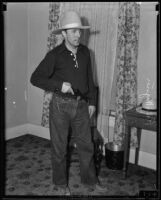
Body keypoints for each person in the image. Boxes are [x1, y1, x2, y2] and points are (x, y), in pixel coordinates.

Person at [30, 10, 106, 195]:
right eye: (73, 31)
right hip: (60, 106)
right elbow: (35, 78)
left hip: (81, 106)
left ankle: (90, 181)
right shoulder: (54, 55)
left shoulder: (86, 52)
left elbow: (90, 81)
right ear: (63, 33)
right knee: (59, 148)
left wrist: (92, 103)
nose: (78, 35)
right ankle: (61, 185)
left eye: (79, 31)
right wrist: (58, 85)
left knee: (86, 146)